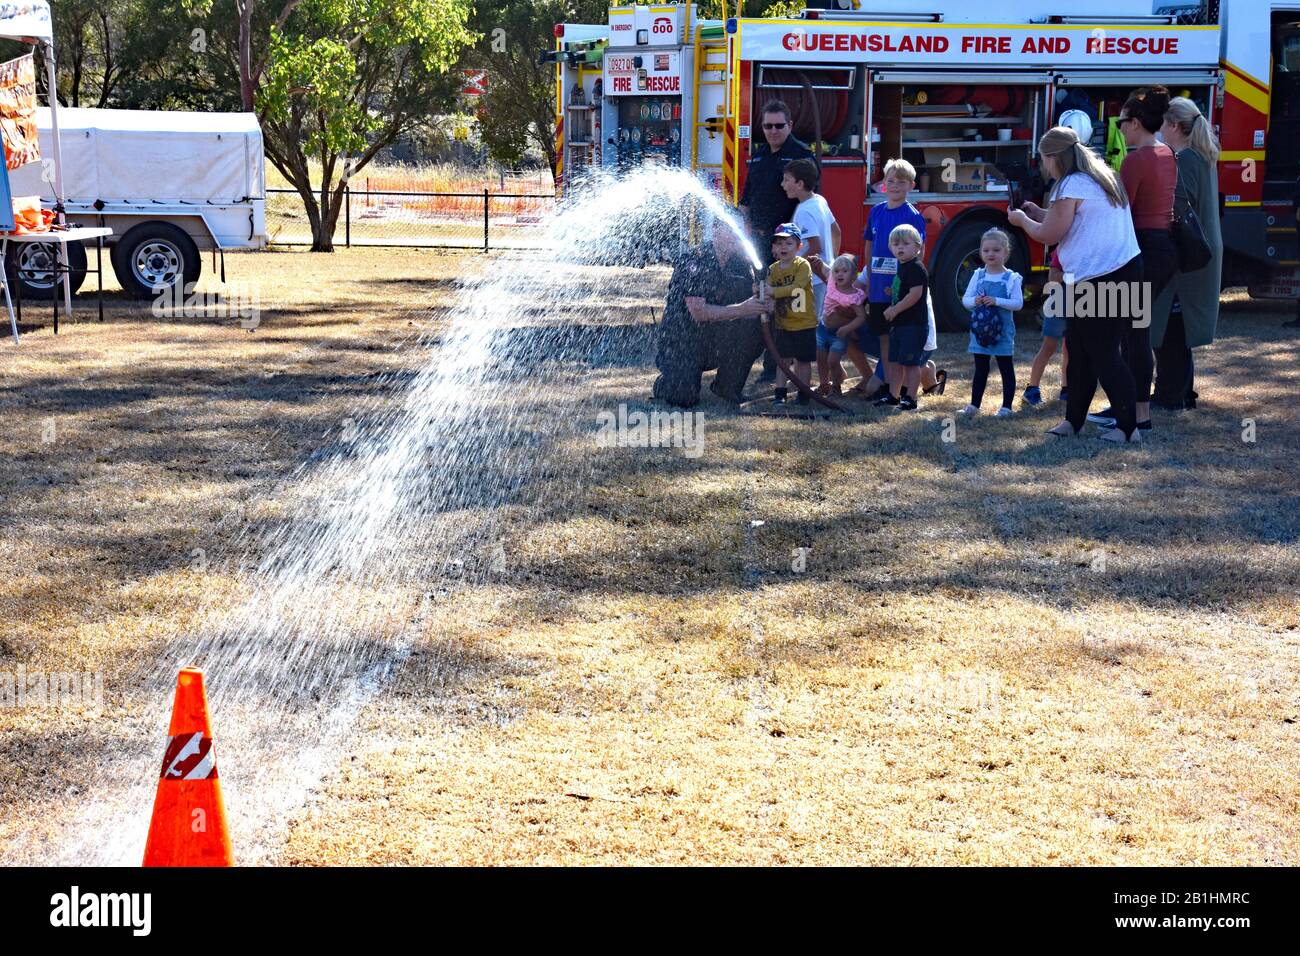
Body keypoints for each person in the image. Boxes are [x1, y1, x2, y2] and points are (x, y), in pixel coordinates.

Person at [1009, 126, 1143, 443]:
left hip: (1102, 276)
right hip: (1121, 270)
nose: (1044, 166)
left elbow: (1049, 235)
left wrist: (1021, 221)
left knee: (1104, 354)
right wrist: (1037, 212)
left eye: (1044, 159)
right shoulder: (1101, 177)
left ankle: (1128, 428)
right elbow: (1070, 222)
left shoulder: (1069, 184)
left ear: (1055, 157)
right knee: (1081, 351)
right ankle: (1074, 422)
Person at [1088, 86, 1176, 433]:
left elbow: (1119, 207)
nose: (1119, 128)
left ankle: (1136, 411)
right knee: (1135, 331)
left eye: (1122, 121)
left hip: (1144, 248)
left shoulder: (1136, 159)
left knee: (1133, 335)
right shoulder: (1167, 152)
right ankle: (1134, 407)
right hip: (1164, 248)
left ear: (1136, 122)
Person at [1150, 97, 1224, 403]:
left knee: (1171, 326)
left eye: (1164, 124)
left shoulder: (1187, 160)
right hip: (1198, 251)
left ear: (1175, 126)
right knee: (1179, 324)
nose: (1160, 130)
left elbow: (1176, 206)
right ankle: (1180, 391)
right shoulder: (1201, 156)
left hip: (1188, 255)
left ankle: (1172, 394)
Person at [652, 223, 768, 407]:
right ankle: (665, 383)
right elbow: (698, 313)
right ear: (715, 231)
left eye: (737, 229)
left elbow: (750, 300)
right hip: (683, 340)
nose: (735, 234)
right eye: (729, 229)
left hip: (715, 338)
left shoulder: (742, 264)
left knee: (755, 325)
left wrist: (763, 295)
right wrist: (743, 309)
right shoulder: (694, 260)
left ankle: (727, 386)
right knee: (683, 397)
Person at [739, 100, 814, 383]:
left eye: (778, 126)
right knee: (760, 300)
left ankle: (776, 368)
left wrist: (793, 248)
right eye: (767, 126)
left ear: (790, 125)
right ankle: (762, 364)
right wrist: (744, 225)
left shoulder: (801, 157)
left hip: (784, 248)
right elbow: (747, 198)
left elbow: (807, 204)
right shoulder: (758, 156)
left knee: (780, 306)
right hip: (759, 243)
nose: (772, 131)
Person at [856, 158, 927, 401]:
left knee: (902, 339)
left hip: (901, 292)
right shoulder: (876, 212)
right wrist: (868, 275)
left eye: (901, 181)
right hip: (877, 288)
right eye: (890, 180)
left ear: (911, 185)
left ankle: (907, 390)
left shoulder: (913, 215)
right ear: (883, 184)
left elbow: (920, 251)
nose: (895, 185)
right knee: (885, 338)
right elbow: (868, 244)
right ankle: (888, 385)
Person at [960, 228, 1023, 417]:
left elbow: (1018, 303)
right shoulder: (978, 275)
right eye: (986, 250)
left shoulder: (1011, 278)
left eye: (996, 250)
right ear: (981, 252)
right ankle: (974, 405)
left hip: (1002, 332)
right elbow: (966, 300)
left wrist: (997, 301)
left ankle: (1006, 407)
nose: (991, 254)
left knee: (1005, 367)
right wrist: (975, 301)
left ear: (1006, 252)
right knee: (980, 368)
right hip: (980, 332)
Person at [872, 223, 928, 411]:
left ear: (917, 247)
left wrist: (894, 310)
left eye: (905, 243)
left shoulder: (916, 268)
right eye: (896, 244)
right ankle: (894, 396)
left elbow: (915, 295)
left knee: (911, 364)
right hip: (900, 325)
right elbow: (904, 291)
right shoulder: (902, 267)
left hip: (913, 325)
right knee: (895, 362)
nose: (900, 247)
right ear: (890, 248)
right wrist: (893, 291)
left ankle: (910, 398)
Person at [762, 222, 817, 405]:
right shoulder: (773, 269)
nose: (783, 247)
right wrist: (760, 290)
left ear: (799, 246)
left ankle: (804, 393)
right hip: (783, 324)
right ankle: (780, 393)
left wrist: (773, 292)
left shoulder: (802, 266)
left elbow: (797, 287)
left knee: (803, 361)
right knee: (782, 360)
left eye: (789, 243)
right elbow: (767, 290)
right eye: (778, 243)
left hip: (804, 323)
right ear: (773, 247)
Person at [783, 157, 840, 323]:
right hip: (824, 276)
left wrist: (792, 266)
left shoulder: (804, 211)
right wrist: (832, 261)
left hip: (810, 281)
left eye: (787, 180)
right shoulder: (820, 200)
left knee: (804, 325)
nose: (783, 184)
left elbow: (815, 246)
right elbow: (836, 231)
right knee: (818, 322)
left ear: (800, 184)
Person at [807, 253, 867, 395]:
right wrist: (818, 261)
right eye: (837, 271)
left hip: (839, 333)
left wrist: (847, 329)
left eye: (845, 271)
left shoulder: (854, 295)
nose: (840, 274)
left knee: (832, 361)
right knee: (820, 358)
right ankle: (824, 384)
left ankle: (836, 386)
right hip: (822, 328)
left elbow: (861, 317)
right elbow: (825, 269)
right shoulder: (832, 283)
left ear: (853, 276)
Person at [1023, 249, 1069, 406]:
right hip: (1058, 305)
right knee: (1048, 348)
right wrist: (1069, 275)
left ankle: (1066, 389)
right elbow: (1052, 277)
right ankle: (1032, 388)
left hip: (1079, 304)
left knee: (1070, 349)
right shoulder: (1063, 249)